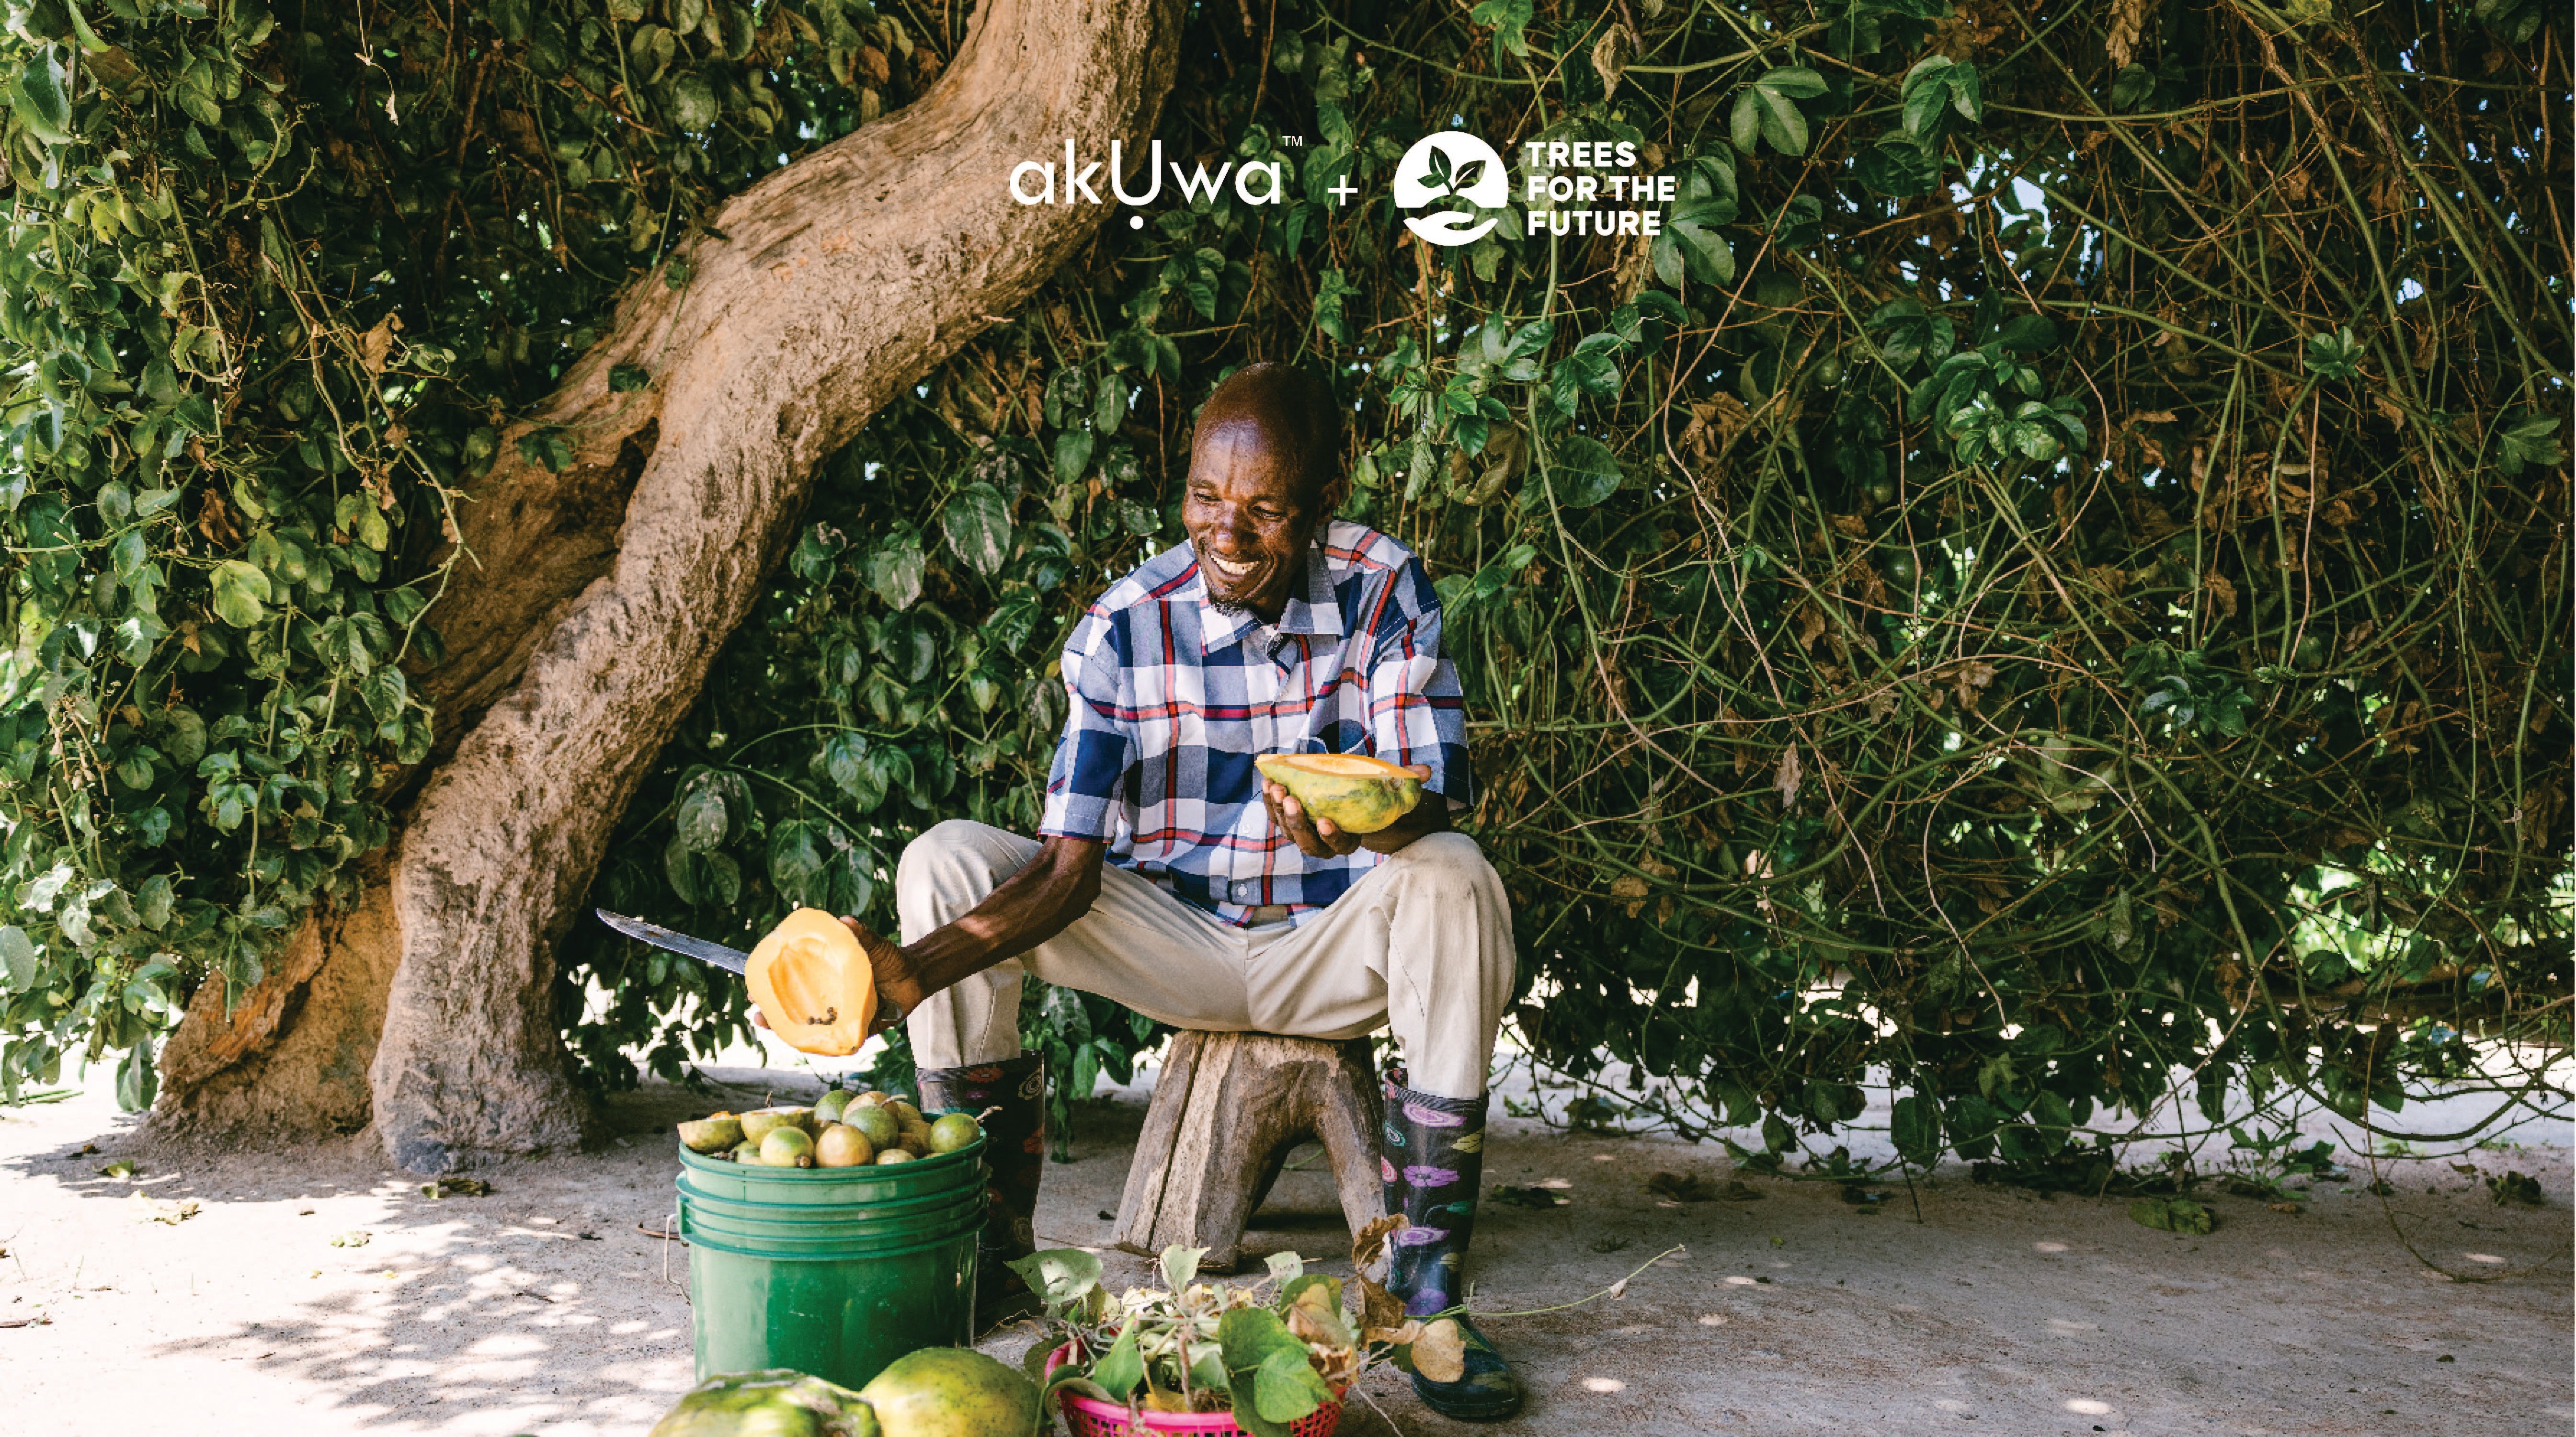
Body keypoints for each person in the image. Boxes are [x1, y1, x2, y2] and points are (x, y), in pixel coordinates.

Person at [819, 361, 1522, 1419]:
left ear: (1323, 502)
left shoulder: (1384, 583)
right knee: (945, 859)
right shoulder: (1126, 621)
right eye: (1204, 497)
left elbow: (1437, 801)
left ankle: (1424, 1294)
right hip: (1175, 937)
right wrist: (913, 970)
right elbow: (1066, 870)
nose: (1225, 533)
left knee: (1455, 875)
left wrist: (1365, 815)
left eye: (1263, 508)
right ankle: (993, 1244)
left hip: (1334, 939)